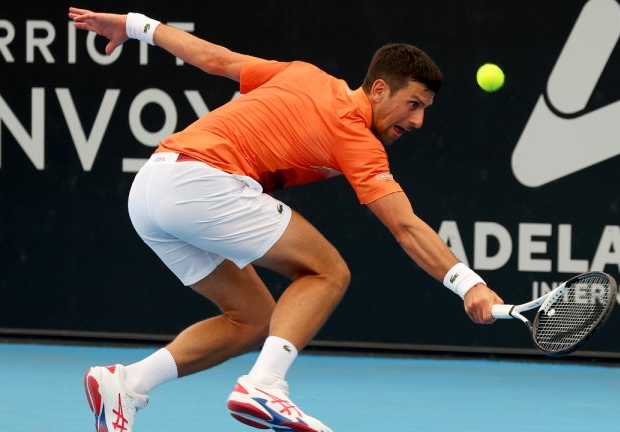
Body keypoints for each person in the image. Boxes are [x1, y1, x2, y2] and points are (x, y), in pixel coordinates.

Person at [69, 6, 504, 432]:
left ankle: (127, 384)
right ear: (378, 90)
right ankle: (265, 385)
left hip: (150, 186)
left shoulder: (304, 74)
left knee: (252, 318)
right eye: (413, 104)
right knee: (327, 272)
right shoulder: (357, 138)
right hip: (201, 183)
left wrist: (136, 25)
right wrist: (469, 285)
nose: (418, 120)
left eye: (424, 108)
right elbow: (405, 226)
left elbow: (213, 59)